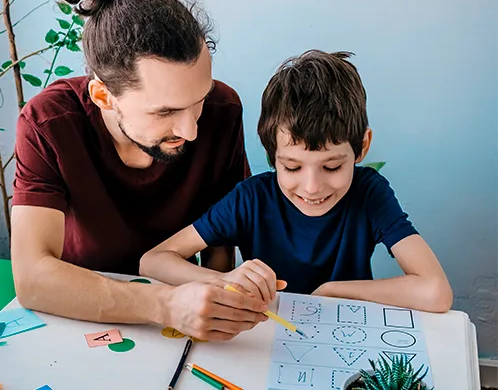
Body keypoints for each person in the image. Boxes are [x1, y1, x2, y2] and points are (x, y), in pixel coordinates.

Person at [10, 0, 272, 341]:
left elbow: (220, 239)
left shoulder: (222, 111)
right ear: (103, 95)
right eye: (165, 111)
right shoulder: (48, 124)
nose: (191, 129)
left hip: (183, 320)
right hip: (80, 313)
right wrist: (164, 304)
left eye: (200, 99)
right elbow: (32, 278)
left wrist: (221, 302)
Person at [140, 50, 453, 312]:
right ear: (272, 154)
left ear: (362, 147)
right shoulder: (251, 199)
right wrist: (227, 281)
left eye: (331, 167)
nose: (312, 187)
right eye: (291, 167)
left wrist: (334, 291)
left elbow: (436, 291)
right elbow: (153, 261)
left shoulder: (369, 194)